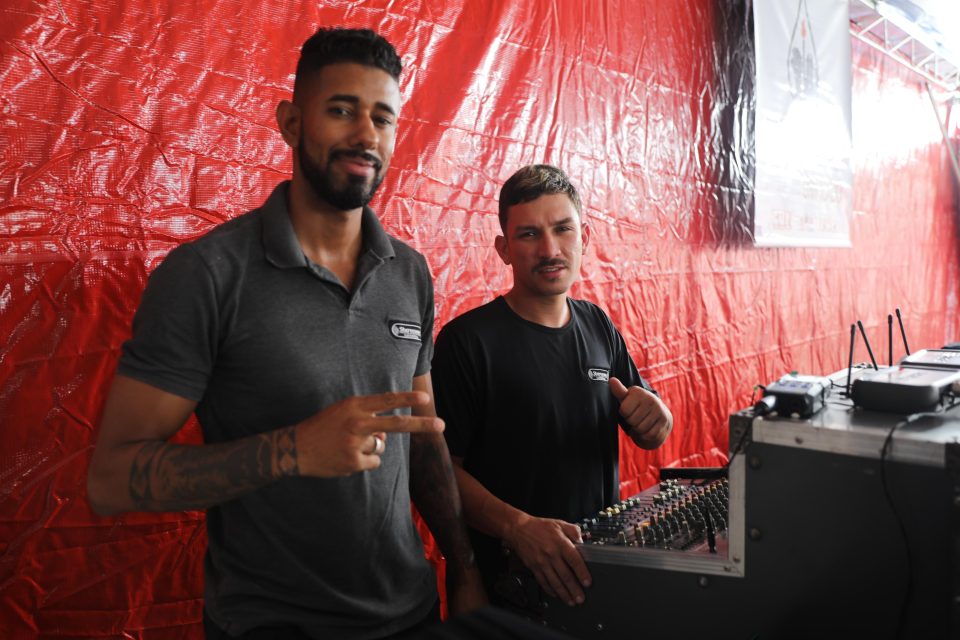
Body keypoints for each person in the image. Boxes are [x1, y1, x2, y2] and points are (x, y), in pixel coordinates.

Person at [87, 27, 485, 639]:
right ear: (291, 123)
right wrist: (293, 450)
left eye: (382, 117)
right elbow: (111, 479)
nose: (364, 135)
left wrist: (462, 565)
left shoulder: (409, 272)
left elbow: (422, 433)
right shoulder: (208, 275)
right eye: (342, 110)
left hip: (411, 616)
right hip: (270, 626)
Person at [431, 164, 673, 609]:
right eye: (528, 235)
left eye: (563, 229)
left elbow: (647, 421)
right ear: (503, 249)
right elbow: (438, 472)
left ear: (585, 236)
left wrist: (659, 416)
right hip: (512, 587)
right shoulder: (466, 343)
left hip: (597, 574)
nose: (549, 249)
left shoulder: (597, 324)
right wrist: (517, 528)